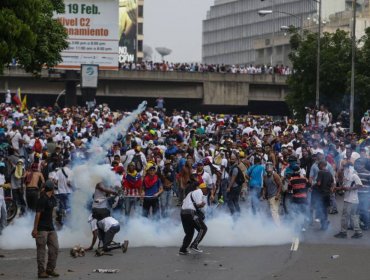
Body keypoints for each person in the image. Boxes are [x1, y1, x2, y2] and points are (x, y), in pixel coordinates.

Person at [31, 180, 59, 278]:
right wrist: (35, 229)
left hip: (51, 228)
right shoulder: (42, 199)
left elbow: (53, 213)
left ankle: (50, 269)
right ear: (52, 189)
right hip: (42, 229)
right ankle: (41, 272)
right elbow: (37, 215)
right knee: (41, 251)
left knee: (55, 248)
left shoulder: (53, 199)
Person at [179, 173, 207, 255]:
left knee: (189, 233)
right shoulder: (198, 191)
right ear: (202, 188)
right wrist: (203, 203)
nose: (206, 191)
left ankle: (183, 249)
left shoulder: (190, 193)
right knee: (203, 228)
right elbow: (198, 204)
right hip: (190, 213)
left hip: (183, 213)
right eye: (206, 189)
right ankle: (194, 245)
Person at [334, 162, 363, 239]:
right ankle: (358, 232)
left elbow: (360, 185)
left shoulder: (354, 175)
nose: (343, 169)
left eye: (344, 168)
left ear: (348, 167)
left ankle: (343, 232)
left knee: (345, 216)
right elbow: (346, 186)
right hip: (350, 199)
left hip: (351, 199)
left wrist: (349, 189)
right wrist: (339, 188)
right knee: (353, 216)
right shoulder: (348, 175)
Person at [314, 160, 335, 230]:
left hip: (321, 194)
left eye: (318, 165)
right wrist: (331, 189)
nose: (317, 166)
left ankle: (324, 223)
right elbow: (332, 183)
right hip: (327, 194)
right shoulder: (329, 173)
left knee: (320, 209)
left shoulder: (320, 172)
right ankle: (325, 223)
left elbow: (319, 183)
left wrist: (313, 186)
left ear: (321, 165)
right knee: (325, 210)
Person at [288, 165, 309, 231]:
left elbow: (289, 189)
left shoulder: (291, 180)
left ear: (293, 172)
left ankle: (297, 226)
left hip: (296, 199)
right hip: (304, 198)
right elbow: (309, 185)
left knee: (297, 212)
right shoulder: (304, 179)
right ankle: (302, 227)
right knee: (303, 212)